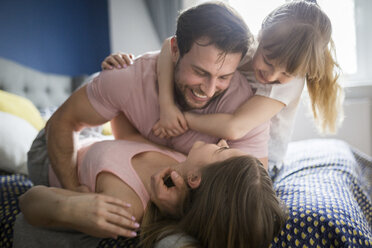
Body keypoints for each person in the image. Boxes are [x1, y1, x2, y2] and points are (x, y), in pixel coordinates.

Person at [27, 1, 270, 216]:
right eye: (199, 72)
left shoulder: (245, 112)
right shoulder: (127, 78)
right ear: (174, 50)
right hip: (57, 148)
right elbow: (63, 122)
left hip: (116, 147)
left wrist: (176, 210)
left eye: (223, 77)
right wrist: (75, 194)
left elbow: (247, 198)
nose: (208, 89)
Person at [102, 0, 344, 171]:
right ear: (261, 34)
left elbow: (235, 128)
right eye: (268, 61)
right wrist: (166, 105)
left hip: (259, 158)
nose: (271, 76)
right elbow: (169, 46)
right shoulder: (243, 47)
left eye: (286, 73)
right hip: (212, 140)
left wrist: (180, 118)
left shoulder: (288, 85)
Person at [20, 134, 287, 248]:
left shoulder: (126, 206)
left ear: (195, 179)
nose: (223, 140)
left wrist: (69, 208)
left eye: (222, 150)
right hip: (91, 138)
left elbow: (29, 202)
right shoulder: (183, 167)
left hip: (48, 154)